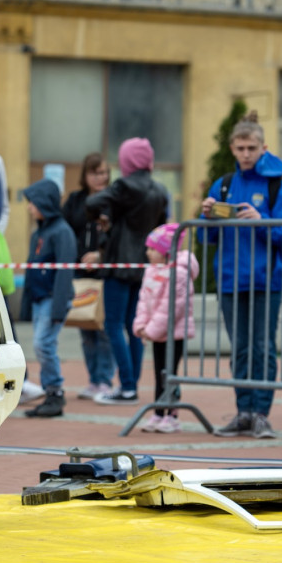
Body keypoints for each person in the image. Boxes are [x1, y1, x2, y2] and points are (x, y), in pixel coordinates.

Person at [200, 112, 282, 438]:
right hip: (230, 280)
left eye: (252, 148)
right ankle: (243, 412)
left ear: (263, 148)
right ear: (232, 148)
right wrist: (207, 217)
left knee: (263, 348)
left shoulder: (275, 185)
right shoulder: (224, 184)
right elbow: (206, 238)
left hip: (265, 280)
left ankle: (261, 414)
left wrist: (262, 220)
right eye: (240, 148)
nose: (246, 154)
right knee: (240, 348)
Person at [86, 137, 168, 405]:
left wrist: (105, 217)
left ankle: (127, 386)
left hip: (119, 264)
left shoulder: (123, 186)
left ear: (127, 160)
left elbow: (92, 203)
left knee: (113, 325)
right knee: (135, 326)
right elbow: (161, 227)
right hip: (144, 265)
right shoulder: (159, 190)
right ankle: (131, 385)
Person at [133, 222, 199, 433]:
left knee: (170, 373)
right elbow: (144, 300)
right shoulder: (152, 271)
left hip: (173, 333)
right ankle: (159, 412)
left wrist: (151, 330)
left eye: (153, 249)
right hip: (157, 332)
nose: (148, 252)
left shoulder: (179, 273)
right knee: (159, 373)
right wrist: (141, 325)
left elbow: (171, 307)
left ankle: (172, 415)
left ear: (166, 251)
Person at [19, 178, 76, 417]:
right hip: (40, 298)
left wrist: (59, 308)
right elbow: (32, 268)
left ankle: (55, 393)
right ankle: (51, 393)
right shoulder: (39, 232)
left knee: (43, 344)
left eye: (33, 202)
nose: (30, 207)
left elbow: (64, 272)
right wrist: (26, 303)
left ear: (45, 203)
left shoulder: (62, 232)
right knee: (42, 345)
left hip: (53, 299)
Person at [62, 153, 115, 399]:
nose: (100, 177)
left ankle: (105, 380)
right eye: (95, 173)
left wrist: (100, 255)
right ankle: (94, 380)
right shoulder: (75, 200)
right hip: (80, 273)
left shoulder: (114, 200)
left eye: (104, 172)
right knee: (85, 328)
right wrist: (78, 258)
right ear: (85, 175)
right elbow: (66, 232)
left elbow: (117, 235)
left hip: (105, 273)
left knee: (103, 329)